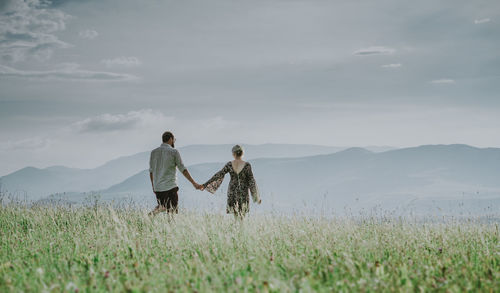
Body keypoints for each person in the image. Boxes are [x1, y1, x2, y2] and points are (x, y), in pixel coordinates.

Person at [148, 131, 202, 215]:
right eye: (174, 140)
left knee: (162, 206)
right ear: (170, 139)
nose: (174, 142)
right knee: (172, 212)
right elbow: (183, 169)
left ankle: (152, 214)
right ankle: (170, 225)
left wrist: (153, 187)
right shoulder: (174, 152)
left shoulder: (153, 152)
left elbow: (151, 172)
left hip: (158, 187)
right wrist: (194, 183)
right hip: (170, 186)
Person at [201, 145, 261, 219]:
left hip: (232, 191)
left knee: (235, 216)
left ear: (233, 154)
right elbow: (251, 181)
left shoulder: (229, 164)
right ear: (242, 153)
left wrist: (205, 185)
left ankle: (236, 229)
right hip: (243, 192)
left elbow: (219, 174)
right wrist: (256, 197)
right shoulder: (247, 165)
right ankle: (241, 229)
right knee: (242, 216)